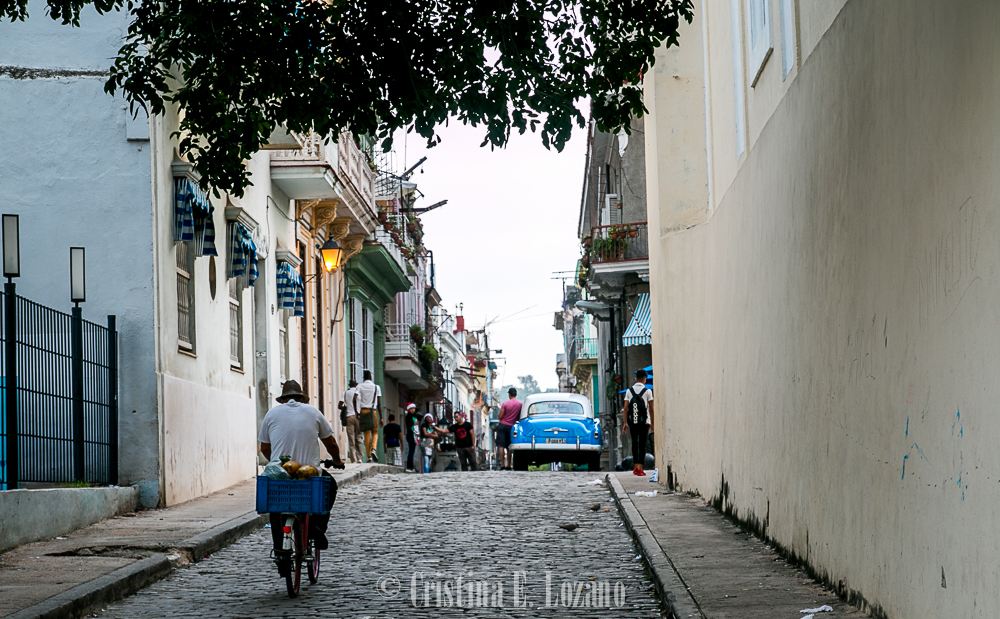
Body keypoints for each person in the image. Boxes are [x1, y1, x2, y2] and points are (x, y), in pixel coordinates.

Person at [259, 380, 345, 551]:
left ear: (283, 399)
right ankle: (318, 527)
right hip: (309, 473)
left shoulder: (271, 414)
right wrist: (337, 460)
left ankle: (279, 551)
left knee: (276, 505)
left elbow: (265, 448)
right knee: (330, 487)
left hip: (282, 473)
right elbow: (331, 444)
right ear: (301, 398)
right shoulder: (313, 412)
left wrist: (277, 463)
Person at [621, 369, 654, 476]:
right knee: (642, 445)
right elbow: (651, 408)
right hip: (644, 422)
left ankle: (635, 467)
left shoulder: (629, 391)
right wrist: (652, 422)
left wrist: (625, 423)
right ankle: (640, 467)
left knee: (634, 443)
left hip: (633, 422)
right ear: (644, 379)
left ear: (636, 379)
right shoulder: (648, 391)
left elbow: (625, 408)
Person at [353, 370, 382, 462]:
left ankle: (369, 456)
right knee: (375, 431)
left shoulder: (359, 386)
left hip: (363, 411)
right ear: (370, 377)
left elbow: (354, 399)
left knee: (366, 433)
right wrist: (381, 417)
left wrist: (356, 411)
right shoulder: (376, 387)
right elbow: (379, 404)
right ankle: (374, 448)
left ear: (363, 378)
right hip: (373, 411)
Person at [496, 387, 521, 470]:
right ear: (516, 395)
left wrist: (499, 416)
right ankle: (509, 465)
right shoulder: (520, 405)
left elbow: (500, 416)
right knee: (509, 446)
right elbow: (519, 417)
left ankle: (502, 464)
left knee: (500, 445)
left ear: (509, 395)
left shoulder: (505, 404)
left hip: (502, 425)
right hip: (512, 426)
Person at [338, 379, 362, 463]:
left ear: (349, 385)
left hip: (349, 417)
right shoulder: (358, 392)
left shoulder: (345, 393)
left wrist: (346, 407)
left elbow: (339, 405)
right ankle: (360, 458)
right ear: (356, 384)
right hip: (357, 416)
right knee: (358, 437)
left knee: (351, 439)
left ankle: (353, 459)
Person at [404, 403, 420, 472]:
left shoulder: (413, 416)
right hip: (411, 435)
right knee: (411, 451)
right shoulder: (408, 416)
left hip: (414, 435)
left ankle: (411, 466)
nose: (413, 410)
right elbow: (412, 425)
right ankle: (410, 466)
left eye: (414, 408)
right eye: (411, 409)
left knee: (412, 451)